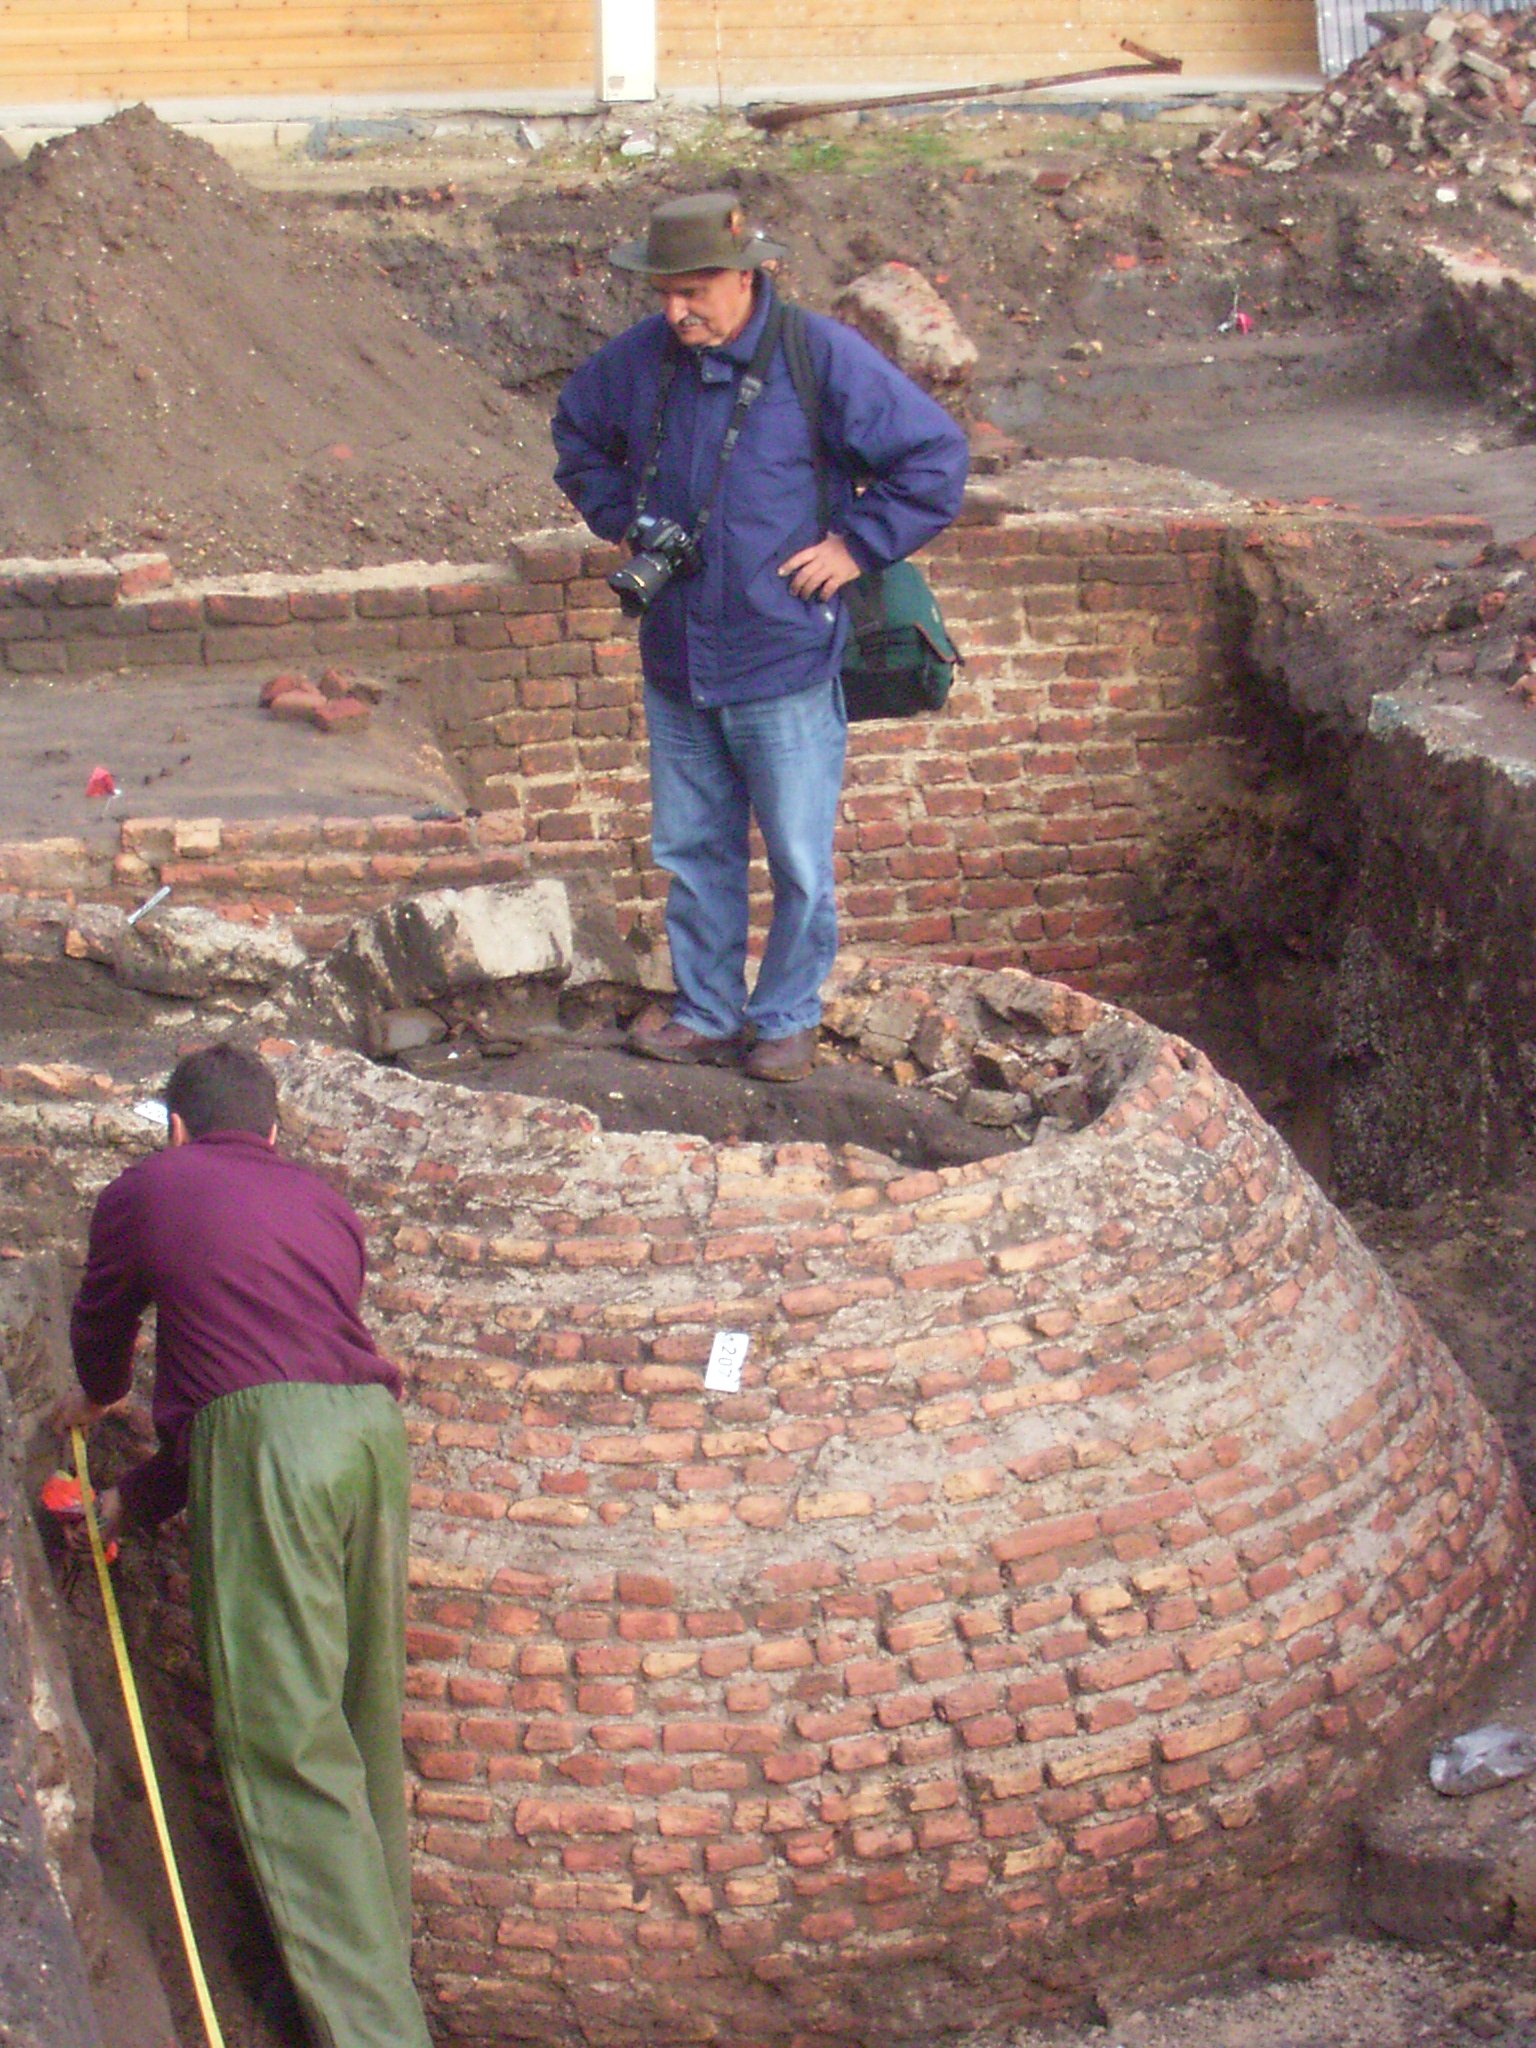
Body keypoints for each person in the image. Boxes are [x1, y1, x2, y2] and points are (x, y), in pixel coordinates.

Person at [50, 1042, 431, 2048]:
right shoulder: (324, 1205)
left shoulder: (149, 1186)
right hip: (369, 1440)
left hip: (274, 1450)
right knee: (356, 1717)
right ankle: (374, 1981)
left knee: (283, 1740)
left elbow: (119, 1332)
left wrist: (98, 1393)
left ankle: (374, 2033)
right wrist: (133, 1501)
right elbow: (248, 1382)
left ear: (177, 1125)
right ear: (271, 1131)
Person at [552, 190, 968, 1083]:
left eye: (694, 291)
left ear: (746, 276)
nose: (676, 312)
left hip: (783, 656)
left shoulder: (819, 354)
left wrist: (856, 546)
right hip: (678, 655)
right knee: (692, 851)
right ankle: (706, 1010)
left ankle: (785, 1018)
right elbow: (576, 433)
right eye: (664, 293)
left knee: (797, 861)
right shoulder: (641, 360)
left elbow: (935, 456)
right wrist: (623, 518)